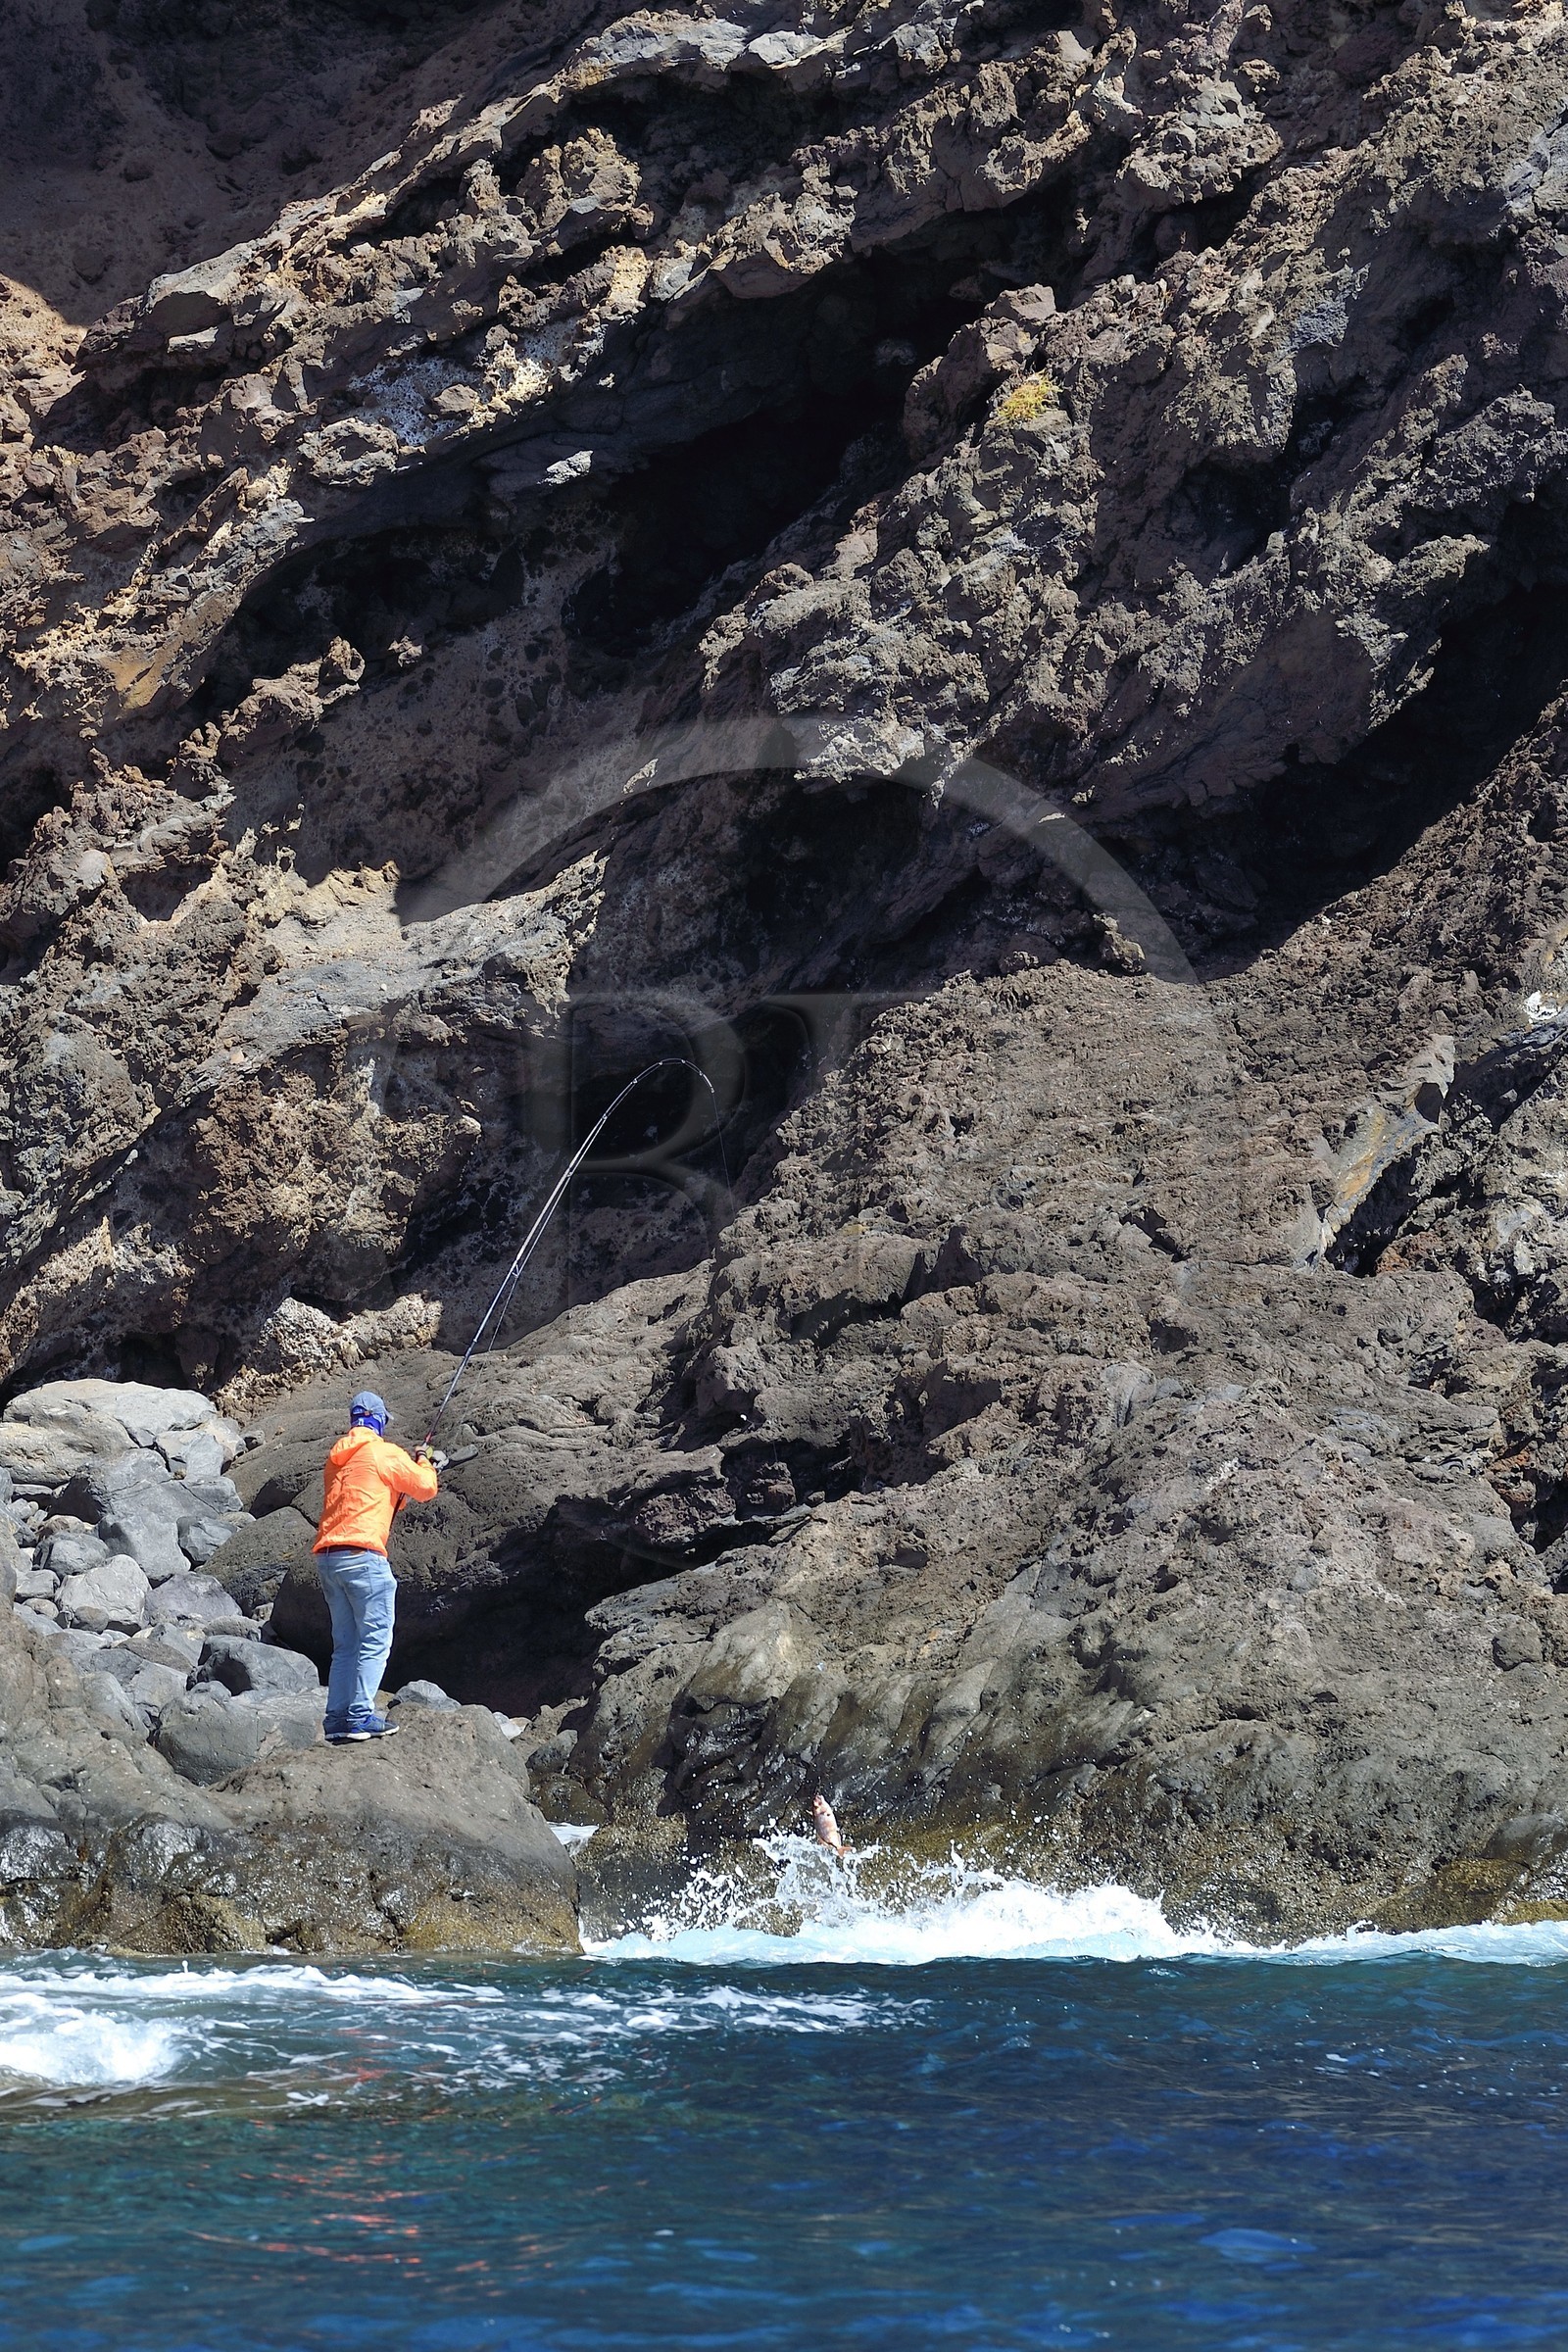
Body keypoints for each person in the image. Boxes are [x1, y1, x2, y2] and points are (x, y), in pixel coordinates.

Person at [313, 1390, 439, 1744]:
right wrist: (425, 1461)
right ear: (380, 1421)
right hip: (363, 1558)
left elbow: (376, 1497)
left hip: (329, 1558)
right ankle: (359, 1716)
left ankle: (337, 1719)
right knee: (375, 1639)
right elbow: (425, 1488)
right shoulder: (383, 1452)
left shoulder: (336, 1458)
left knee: (346, 1644)